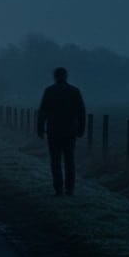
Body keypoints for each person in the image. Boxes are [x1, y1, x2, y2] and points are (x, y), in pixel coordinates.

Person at [36, 67, 86, 196]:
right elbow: (81, 112)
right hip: (70, 131)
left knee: (55, 161)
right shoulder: (74, 91)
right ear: (66, 76)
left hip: (54, 131)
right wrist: (81, 129)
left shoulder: (49, 91)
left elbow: (43, 112)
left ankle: (58, 188)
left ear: (55, 76)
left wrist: (40, 128)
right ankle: (70, 189)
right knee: (69, 160)